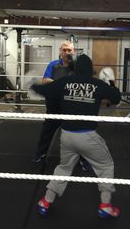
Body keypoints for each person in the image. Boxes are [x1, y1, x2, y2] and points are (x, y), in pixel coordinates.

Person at [31, 54, 121, 218]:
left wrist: (32, 83)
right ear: (90, 69)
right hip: (87, 136)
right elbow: (116, 98)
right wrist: (111, 83)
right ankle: (106, 205)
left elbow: (42, 90)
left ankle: (46, 201)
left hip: (67, 136)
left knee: (64, 168)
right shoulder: (97, 84)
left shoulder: (65, 82)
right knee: (106, 166)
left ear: (76, 68)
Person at [33, 41, 91, 172]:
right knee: (47, 132)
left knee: (79, 134)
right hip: (54, 106)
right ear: (60, 51)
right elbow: (45, 80)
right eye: (64, 50)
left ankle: (84, 159)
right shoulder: (53, 65)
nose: (66, 53)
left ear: (73, 52)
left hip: (72, 107)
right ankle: (40, 153)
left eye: (69, 50)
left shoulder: (77, 67)